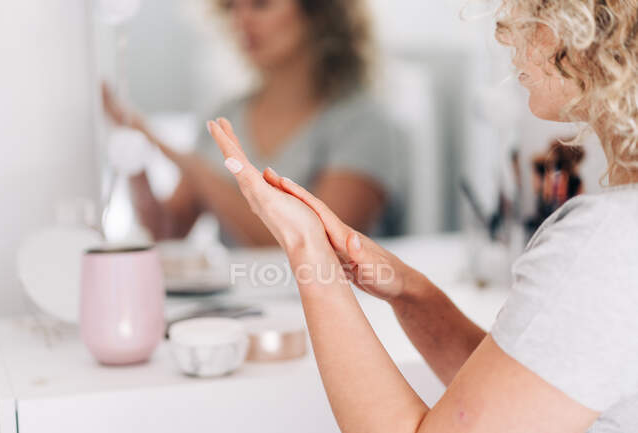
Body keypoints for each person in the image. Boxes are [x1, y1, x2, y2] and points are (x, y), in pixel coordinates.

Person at [205, 0, 638, 431]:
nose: (506, 32)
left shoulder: (603, 241)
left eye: (530, 13)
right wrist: (411, 292)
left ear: (597, 29)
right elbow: (520, 395)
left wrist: (307, 251)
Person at [102, 0, 406, 246]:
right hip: (245, 313)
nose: (240, 19)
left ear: (319, 13)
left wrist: (178, 156)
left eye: (261, 4)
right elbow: (168, 231)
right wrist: (134, 152)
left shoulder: (363, 123)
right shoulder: (227, 114)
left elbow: (314, 249)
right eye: (233, 6)